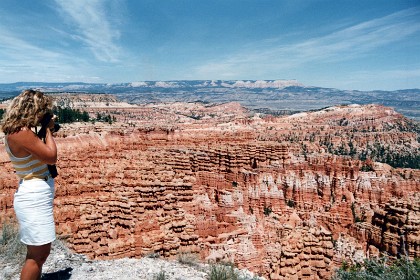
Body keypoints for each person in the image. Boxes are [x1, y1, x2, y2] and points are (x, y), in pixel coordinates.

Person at [1, 89, 58, 280]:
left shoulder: (17, 130)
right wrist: (48, 129)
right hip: (33, 197)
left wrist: (43, 128)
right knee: (37, 256)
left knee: (39, 254)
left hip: (35, 193)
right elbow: (51, 157)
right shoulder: (21, 133)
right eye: (41, 110)